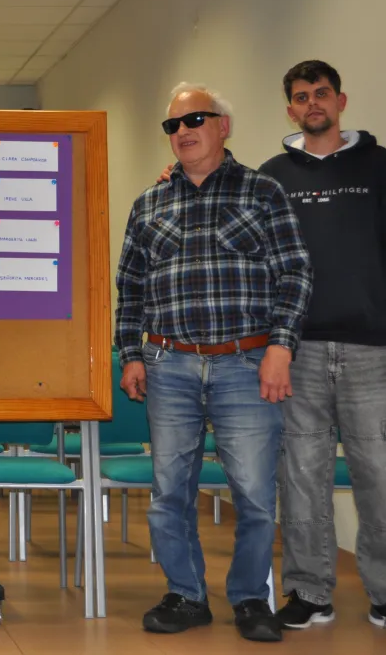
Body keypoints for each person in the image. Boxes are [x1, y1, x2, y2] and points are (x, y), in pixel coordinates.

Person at [115, 83, 313, 643]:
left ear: (223, 125)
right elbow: (129, 287)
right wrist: (131, 354)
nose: (183, 131)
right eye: (173, 125)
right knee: (169, 493)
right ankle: (185, 595)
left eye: (195, 119)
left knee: (253, 492)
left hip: (245, 366)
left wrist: (281, 346)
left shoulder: (262, 191)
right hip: (169, 366)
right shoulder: (149, 203)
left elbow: (295, 272)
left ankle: (251, 599)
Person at [258, 61, 386, 631]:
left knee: (378, 476)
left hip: (372, 351)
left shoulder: (380, 166)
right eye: (302, 96)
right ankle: (309, 592)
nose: (313, 103)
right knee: (303, 478)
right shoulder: (272, 175)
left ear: (341, 101)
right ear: (290, 108)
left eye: (323, 94)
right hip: (297, 351)